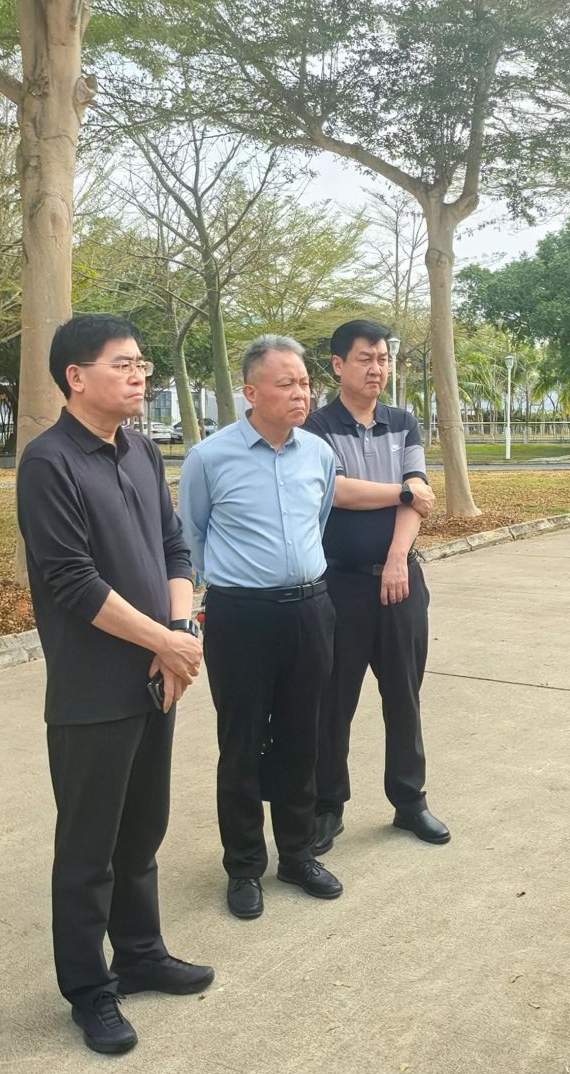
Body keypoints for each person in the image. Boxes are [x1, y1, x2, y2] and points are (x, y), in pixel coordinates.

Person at [17, 314, 213, 1055]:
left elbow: (173, 546)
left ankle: (140, 953)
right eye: (123, 364)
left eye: (142, 364)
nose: (139, 376)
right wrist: (165, 641)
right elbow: (71, 581)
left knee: (143, 830)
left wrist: (179, 634)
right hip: (92, 691)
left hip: (158, 676)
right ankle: (89, 990)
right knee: (88, 849)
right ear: (76, 376)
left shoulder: (140, 448)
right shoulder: (48, 463)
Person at [179, 335, 428, 919]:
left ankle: (296, 854)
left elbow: (316, 522)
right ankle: (244, 865)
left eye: (304, 383)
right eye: (286, 383)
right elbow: (191, 538)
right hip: (242, 615)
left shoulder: (316, 454)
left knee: (302, 736)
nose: (301, 393)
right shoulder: (209, 459)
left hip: (311, 609)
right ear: (251, 392)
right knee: (241, 743)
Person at [306, 319, 448, 851]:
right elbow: (335, 491)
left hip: (400, 581)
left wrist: (396, 559)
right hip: (339, 584)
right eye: (365, 358)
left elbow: (421, 495)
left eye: (383, 358)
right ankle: (328, 806)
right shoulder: (316, 427)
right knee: (333, 700)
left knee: (404, 696)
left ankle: (410, 801)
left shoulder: (402, 422)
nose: (376, 368)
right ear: (338, 365)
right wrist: (402, 492)